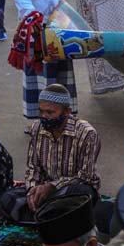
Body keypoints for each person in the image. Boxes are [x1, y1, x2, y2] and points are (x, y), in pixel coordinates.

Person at [25, 85, 101, 213]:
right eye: (41, 111)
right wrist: (32, 191)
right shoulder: (36, 128)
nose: (44, 117)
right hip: (46, 189)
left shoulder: (87, 134)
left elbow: (85, 177)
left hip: (73, 190)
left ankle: (49, 209)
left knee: (79, 197)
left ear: (67, 112)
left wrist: (52, 186)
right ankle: (45, 207)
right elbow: (33, 167)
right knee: (7, 199)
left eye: (50, 112)